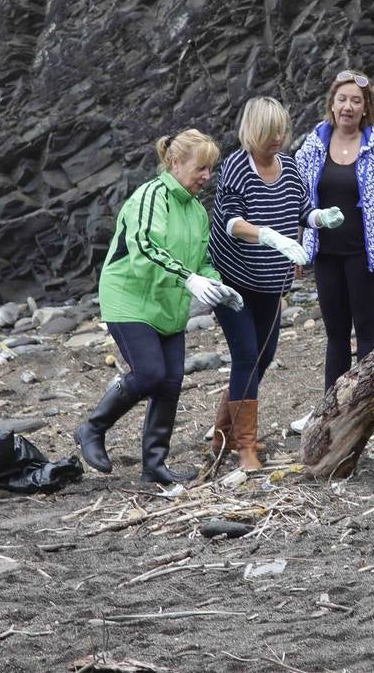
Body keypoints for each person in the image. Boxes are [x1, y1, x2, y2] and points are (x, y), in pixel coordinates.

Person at [74, 129, 243, 483]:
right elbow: (145, 248)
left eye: (210, 169)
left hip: (168, 304)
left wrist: (215, 283)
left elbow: (202, 259)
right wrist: (190, 279)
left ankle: (154, 466)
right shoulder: (152, 195)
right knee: (149, 373)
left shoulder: (197, 210)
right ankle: (91, 428)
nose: (206, 177)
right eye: (201, 168)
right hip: (129, 297)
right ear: (175, 162)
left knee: (170, 382)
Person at [207, 97, 345, 470]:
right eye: (270, 133)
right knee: (247, 356)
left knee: (263, 357)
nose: (277, 139)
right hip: (232, 279)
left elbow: (302, 209)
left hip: (271, 280)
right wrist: (271, 237)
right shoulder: (237, 165)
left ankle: (222, 434)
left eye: (282, 131)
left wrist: (320, 218)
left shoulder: (289, 167)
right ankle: (245, 449)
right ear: (253, 131)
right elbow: (232, 223)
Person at [296, 70, 374, 394]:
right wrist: (296, 247)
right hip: (325, 252)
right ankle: (332, 405)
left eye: (356, 101)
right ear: (332, 105)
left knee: (366, 328)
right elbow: (297, 197)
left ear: (366, 108)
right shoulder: (312, 145)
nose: (348, 106)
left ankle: (369, 400)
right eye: (342, 99)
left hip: (366, 252)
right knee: (335, 333)